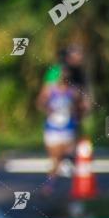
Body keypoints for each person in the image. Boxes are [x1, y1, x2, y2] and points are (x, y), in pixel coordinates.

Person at [36, 64, 87, 196]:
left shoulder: (73, 91)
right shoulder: (50, 90)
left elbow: (83, 106)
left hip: (68, 129)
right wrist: (48, 109)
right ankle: (50, 185)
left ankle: (78, 185)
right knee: (55, 158)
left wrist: (77, 115)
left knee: (67, 155)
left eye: (66, 77)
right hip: (52, 129)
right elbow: (40, 103)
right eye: (62, 76)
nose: (63, 79)